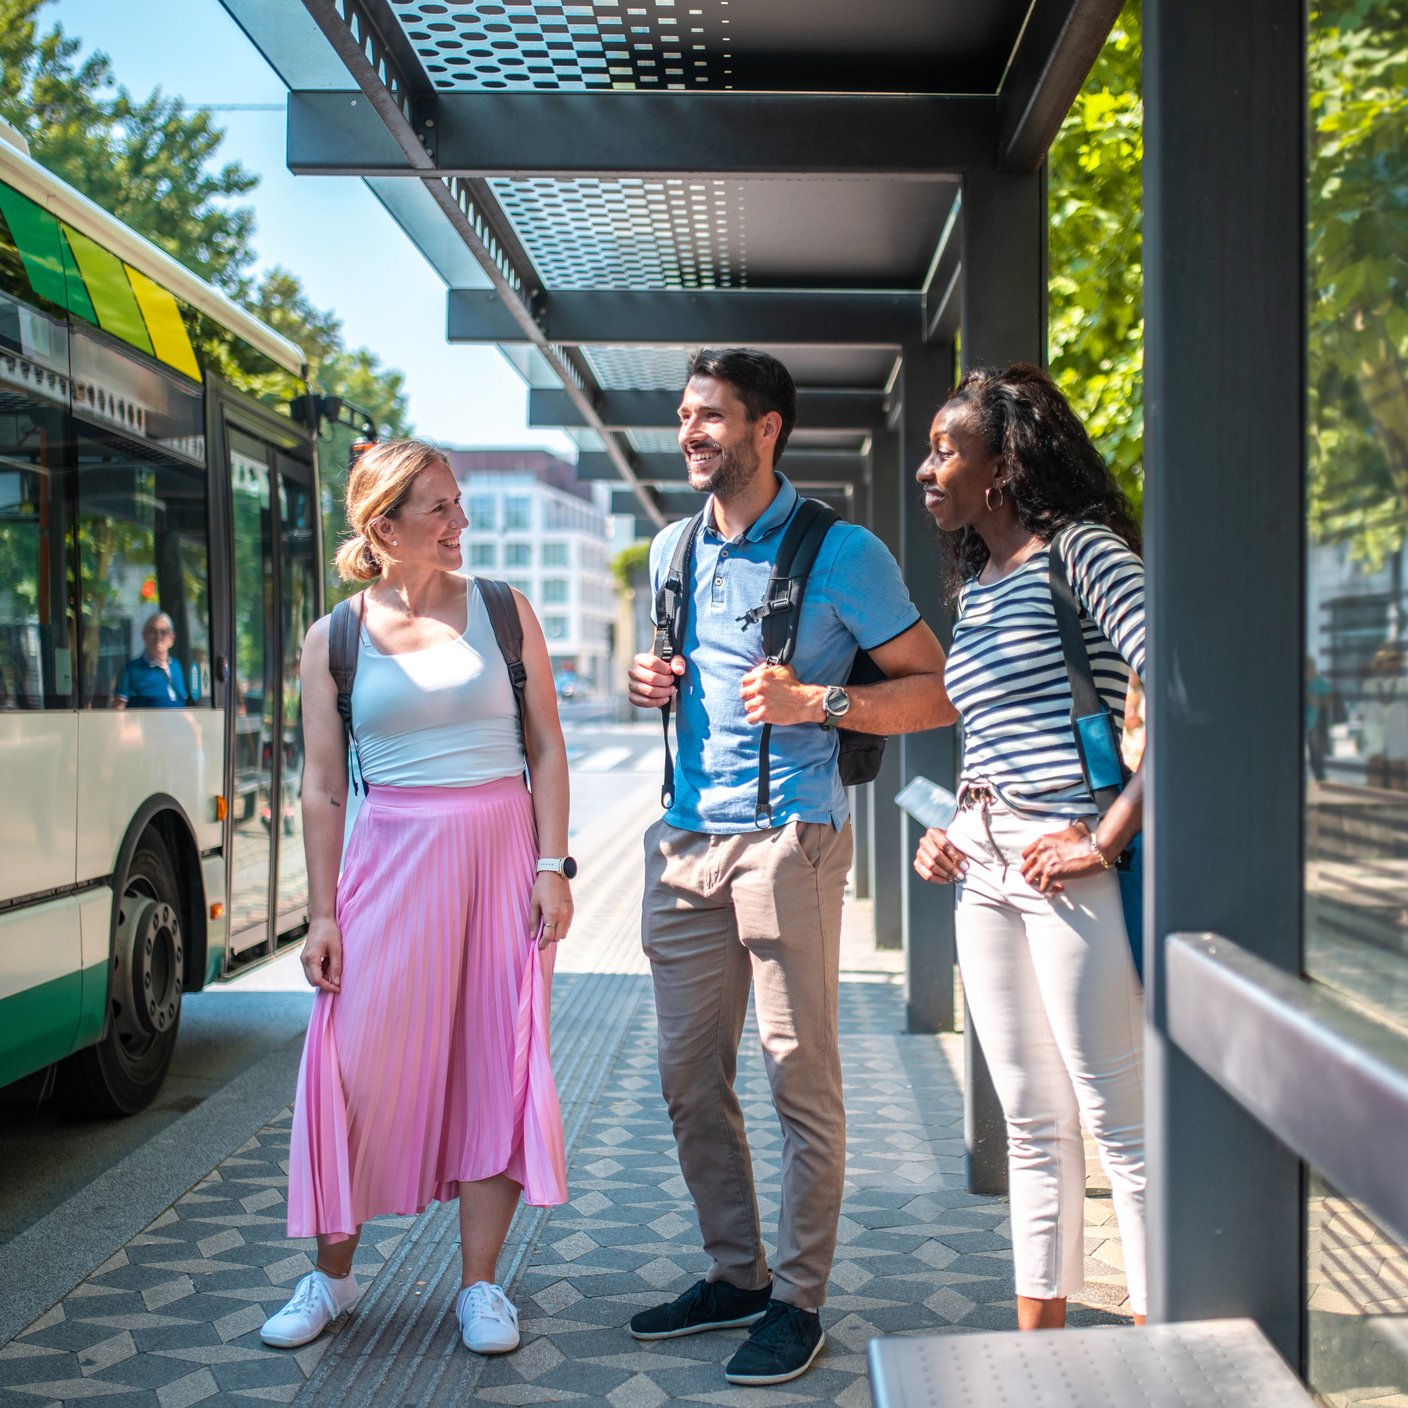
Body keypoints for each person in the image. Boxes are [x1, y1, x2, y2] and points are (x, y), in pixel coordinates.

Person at [626, 348, 955, 1386]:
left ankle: (798, 1299)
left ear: (767, 430)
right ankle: (735, 1272)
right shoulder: (670, 551)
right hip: (681, 843)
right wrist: (653, 677)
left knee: (796, 1081)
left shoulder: (843, 550)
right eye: (684, 415)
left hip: (791, 840)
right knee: (689, 1080)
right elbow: (682, 674)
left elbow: (934, 688)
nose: (692, 432)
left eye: (712, 416)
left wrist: (819, 702)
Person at [259, 440, 571, 1357]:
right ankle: (333, 1276)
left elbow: (546, 748)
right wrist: (321, 914)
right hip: (387, 863)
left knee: (494, 1065)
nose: (459, 523)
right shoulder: (337, 637)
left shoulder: (506, 612)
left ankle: (480, 1288)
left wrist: (553, 864)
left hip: (500, 859)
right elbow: (321, 787)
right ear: (382, 525)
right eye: (438, 509)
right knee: (352, 1065)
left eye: (459, 504)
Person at [911, 363, 1147, 1331]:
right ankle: (1037, 1350)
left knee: (1117, 1126)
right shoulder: (976, 582)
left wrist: (1106, 833)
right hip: (985, 863)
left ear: (1001, 465)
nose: (928, 469)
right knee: (1030, 1126)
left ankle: (1159, 1346)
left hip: (1067, 865)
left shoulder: (1080, 552)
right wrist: (952, 827)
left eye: (945, 450)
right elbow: (992, 734)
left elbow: (1177, 683)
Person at [114, 612, 189, 707]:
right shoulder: (130, 669)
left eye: (163, 632)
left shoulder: (176, 666)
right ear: (144, 636)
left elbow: (182, 704)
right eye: (153, 631)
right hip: (146, 721)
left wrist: (194, 722)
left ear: (171, 639)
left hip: (177, 721)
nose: (158, 637)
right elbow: (119, 708)